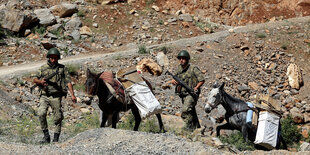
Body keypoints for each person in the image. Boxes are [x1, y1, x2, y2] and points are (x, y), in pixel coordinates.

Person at [33, 48, 77, 143]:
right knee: (41, 113)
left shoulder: (62, 68)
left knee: (58, 117)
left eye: (55, 58)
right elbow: (34, 79)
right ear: (48, 58)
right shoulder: (43, 68)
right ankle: (46, 136)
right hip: (44, 95)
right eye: (52, 58)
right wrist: (41, 82)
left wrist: (72, 95)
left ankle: (56, 139)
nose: (53, 60)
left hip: (56, 96)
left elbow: (68, 82)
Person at [170, 50, 205, 131]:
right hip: (183, 94)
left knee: (185, 110)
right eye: (180, 58)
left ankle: (187, 129)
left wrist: (196, 87)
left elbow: (202, 80)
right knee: (191, 111)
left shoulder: (193, 69)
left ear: (187, 59)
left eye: (183, 58)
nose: (181, 60)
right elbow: (174, 77)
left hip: (191, 94)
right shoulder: (179, 68)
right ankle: (198, 128)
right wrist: (173, 81)